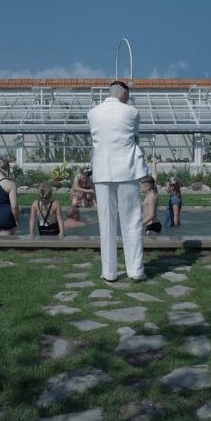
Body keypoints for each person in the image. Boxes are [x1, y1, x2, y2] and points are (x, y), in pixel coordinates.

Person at [87, 80, 149, 282]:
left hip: (103, 171)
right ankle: (136, 270)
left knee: (106, 224)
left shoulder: (93, 113)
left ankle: (109, 272)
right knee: (131, 221)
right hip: (127, 170)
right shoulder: (132, 112)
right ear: (124, 94)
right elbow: (136, 138)